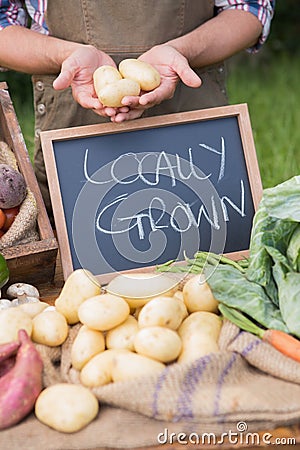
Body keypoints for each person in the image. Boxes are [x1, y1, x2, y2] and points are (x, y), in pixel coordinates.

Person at [0, 1, 275, 217]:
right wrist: (65, 56)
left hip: (193, 123)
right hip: (73, 130)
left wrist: (183, 51)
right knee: (76, 278)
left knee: (207, 262)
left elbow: (249, 9)